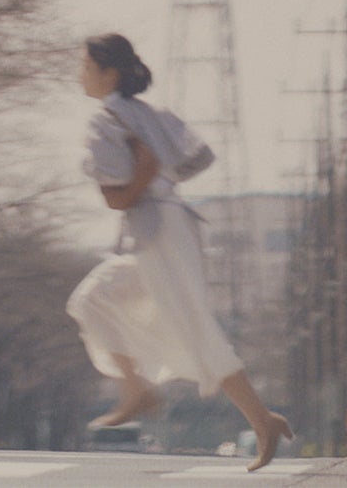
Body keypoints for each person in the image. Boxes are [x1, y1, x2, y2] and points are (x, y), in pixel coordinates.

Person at [65, 33, 292, 473]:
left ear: (108, 72)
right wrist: (161, 176)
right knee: (94, 298)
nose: (80, 75)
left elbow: (118, 196)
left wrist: (145, 178)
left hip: (156, 229)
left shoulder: (104, 119)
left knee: (194, 325)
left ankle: (262, 420)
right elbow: (199, 157)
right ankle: (137, 387)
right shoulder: (150, 113)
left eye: (85, 66)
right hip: (167, 223)